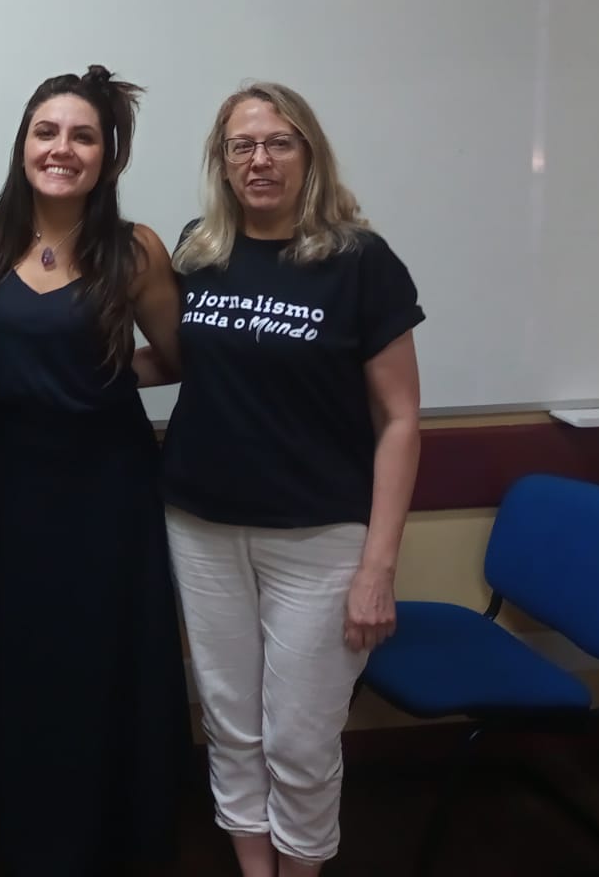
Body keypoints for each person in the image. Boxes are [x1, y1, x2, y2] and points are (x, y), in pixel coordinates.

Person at [158, 82, 423, 876]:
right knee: (232, 724)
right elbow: (170, 362)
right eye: (242, 145)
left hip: (320, 537)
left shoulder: (359, 261)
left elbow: (401, 419)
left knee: (301, 738)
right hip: (201, 526)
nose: (260, 159)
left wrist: (378, 566)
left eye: (279, 142)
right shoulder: (196, 252)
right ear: (222, 161)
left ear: (309, 153)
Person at [0, 65, 192, 875]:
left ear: (108, 154)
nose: (62, 149)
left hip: (108, 485)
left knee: (101, 656)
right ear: (23, 144)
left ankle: (112, 831)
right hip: (8, 480)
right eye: (46, 132)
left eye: (83, 136)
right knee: (18, 653)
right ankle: (25, 827)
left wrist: (100, 374)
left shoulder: (135, 251)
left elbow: (176, 357)